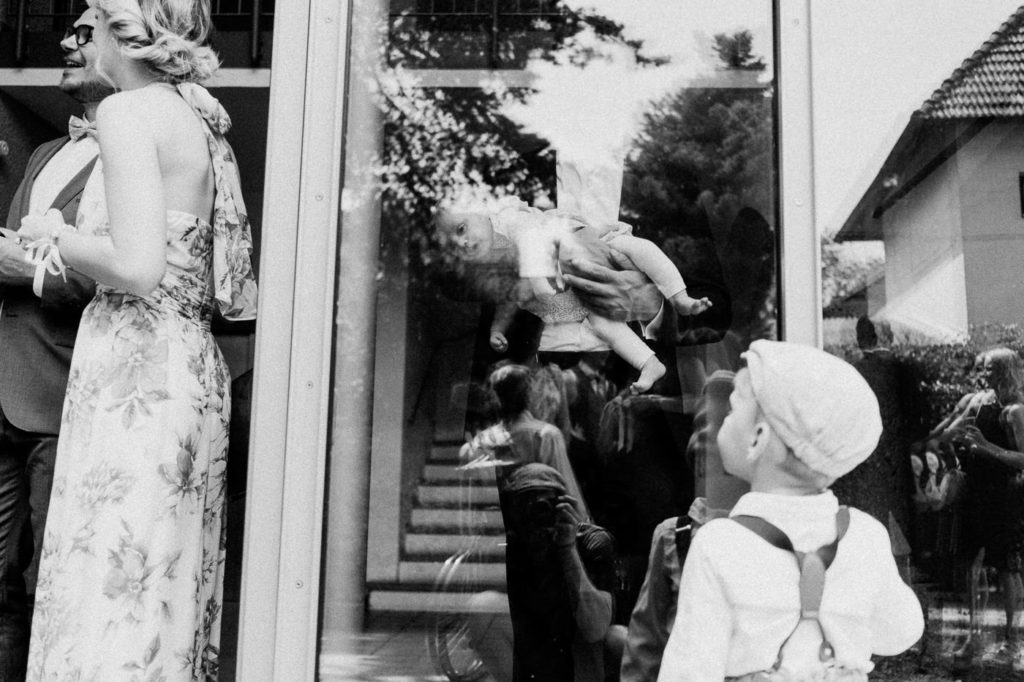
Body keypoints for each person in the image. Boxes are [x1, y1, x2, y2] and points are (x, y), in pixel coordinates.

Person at [20, 0, 257, 678]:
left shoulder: (126, 113)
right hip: (185, 367)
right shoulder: (198, 119)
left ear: (125, 33)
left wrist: (53, 235)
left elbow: (136, 265)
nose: (82, 36)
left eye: (91, 21)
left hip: (137, 368)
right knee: (162, 589)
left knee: (110, 584)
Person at [658, 340, 924, 681]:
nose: (723, 417)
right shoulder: (865, 534)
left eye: (731, 409)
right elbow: (901, 632)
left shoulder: (718, 545)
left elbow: (689, 671)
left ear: (757, 439)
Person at [0, 9, 113, 679]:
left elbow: (119, 280)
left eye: (83, 32)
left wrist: (32, 268)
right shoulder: (44, 154)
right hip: (3, 395)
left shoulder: (137, 155)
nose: (66, 42)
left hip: (66, 400)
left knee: (53, 589)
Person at [436, 200, 710, 393]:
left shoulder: (507, 218)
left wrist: (536, 278)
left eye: (461, 229)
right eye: (454, 247)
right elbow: (510, 296)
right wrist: (498, 327)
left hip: (591, 246)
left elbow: (530, 239)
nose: (463, 243)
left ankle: (679, 296)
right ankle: (649, 364)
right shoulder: (493, 263)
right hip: (581, 298)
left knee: (638, 248)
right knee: (605, 325)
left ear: (480, 209)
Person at [621, 370, 744, 682]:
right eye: (698, 425)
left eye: (717, 425)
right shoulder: (674, 536)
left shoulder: (769, 532)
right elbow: (644, 647)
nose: (702, 436)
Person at [468, 463, 616, 682]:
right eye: (527, 502)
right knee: (482, 606)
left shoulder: (592, 543)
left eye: (548, 502)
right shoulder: (507, 544)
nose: (539, 509)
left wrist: (567, 549)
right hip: (536, 655)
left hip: (583, 661)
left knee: (619, 638)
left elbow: (596, 629)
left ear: (564, 505)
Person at [936, 347, 1024, 667]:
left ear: (1005, 370)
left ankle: (1013, 640)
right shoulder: (974, 402)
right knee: (967, 567)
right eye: (980, 367)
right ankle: (973, 637)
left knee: (1007, 569)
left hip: (1004, 496)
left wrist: (987, 448)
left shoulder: (1015, 411)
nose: (982, 373)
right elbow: (944, 435)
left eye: (988, 368)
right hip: (973, 493)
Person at [489, 364, 591, 515]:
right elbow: (567, 488)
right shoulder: (546, 435)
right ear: (529, 394)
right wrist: (584, 526)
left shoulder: (482, 441)